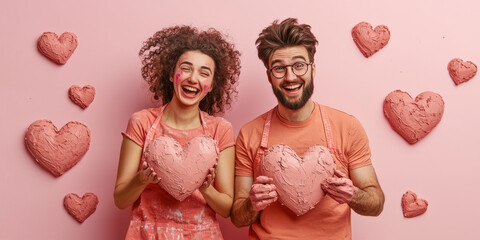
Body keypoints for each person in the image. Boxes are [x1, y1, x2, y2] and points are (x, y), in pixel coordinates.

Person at [231, 18, 384, 239]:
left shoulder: (347, 127)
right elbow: (237, 217)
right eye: (279, 68)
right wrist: (252, 204)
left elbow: (375, 202)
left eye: (299, 65)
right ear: (269, 76)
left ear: (313, 69)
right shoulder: (250, 133)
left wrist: (353, 195)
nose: (290, 77)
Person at [114, 25, 241, 239]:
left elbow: (227, 208)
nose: (193, 78)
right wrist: (142, 179)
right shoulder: (141, 122)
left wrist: (206, 188)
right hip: (148, 233)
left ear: (211, 84)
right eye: (187, 68)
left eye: (204, 73)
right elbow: (120, 199)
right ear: (172, 75)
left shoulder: (220, 129)